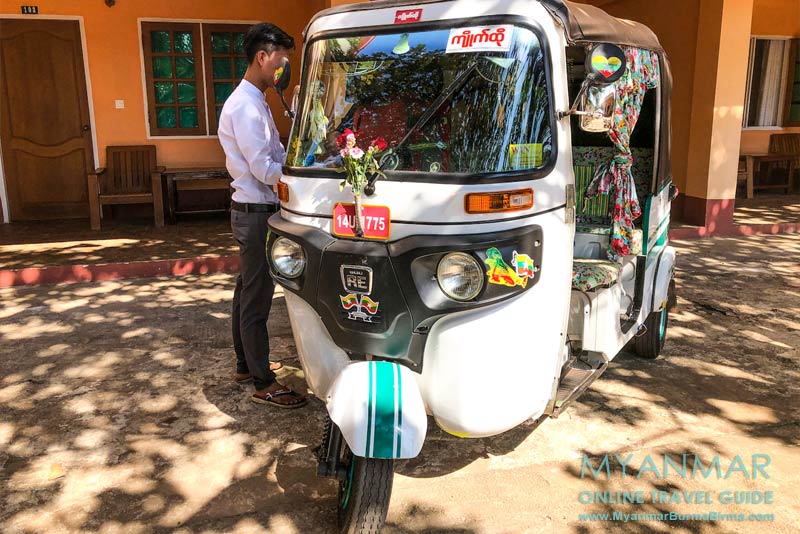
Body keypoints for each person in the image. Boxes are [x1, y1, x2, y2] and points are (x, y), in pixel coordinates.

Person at [218, 22, 306, 409]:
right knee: (257, 298)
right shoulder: (245, 106)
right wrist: (299, 180)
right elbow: (263, 168)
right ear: (262, 57)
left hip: (253, 210)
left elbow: (276, 156)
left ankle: (244, 364)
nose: (282, 70)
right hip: (255, 212)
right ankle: (262, 381)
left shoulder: (255, 100)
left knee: (245, 291)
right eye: (281, 62)